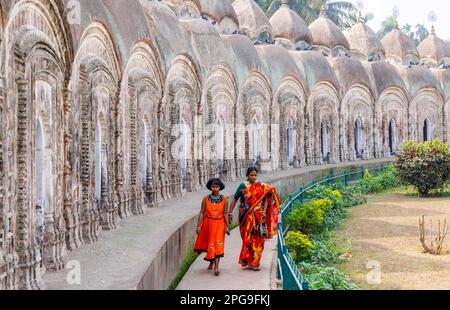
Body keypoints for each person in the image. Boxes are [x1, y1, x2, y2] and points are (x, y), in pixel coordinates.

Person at [228, 166, 280, 271]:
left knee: (259, 239)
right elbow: (234, 199)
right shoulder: (242, 186)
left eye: (255, 175)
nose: (253, 177)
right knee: (247, 239)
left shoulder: (261, 186)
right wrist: (230, 212)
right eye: (251, 175)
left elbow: (266, 197)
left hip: (259, 216)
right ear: (247, 175)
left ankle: (255, 262)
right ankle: (247, 259)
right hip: (245, 217)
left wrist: (264, 210)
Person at [194, 178, 230, 276]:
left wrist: (227, 226)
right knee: (210, 243)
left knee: (218, 244)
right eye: (213, 186)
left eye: (217, 186)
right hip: (208, 224)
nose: (215, 189)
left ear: (220, 187)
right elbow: (202, 212)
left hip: (219, 224)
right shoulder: (205, 199)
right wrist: (198, 226)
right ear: (210, 187)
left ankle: (216, 267)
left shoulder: (224, 199)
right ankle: (211, 261)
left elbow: (225, 213)